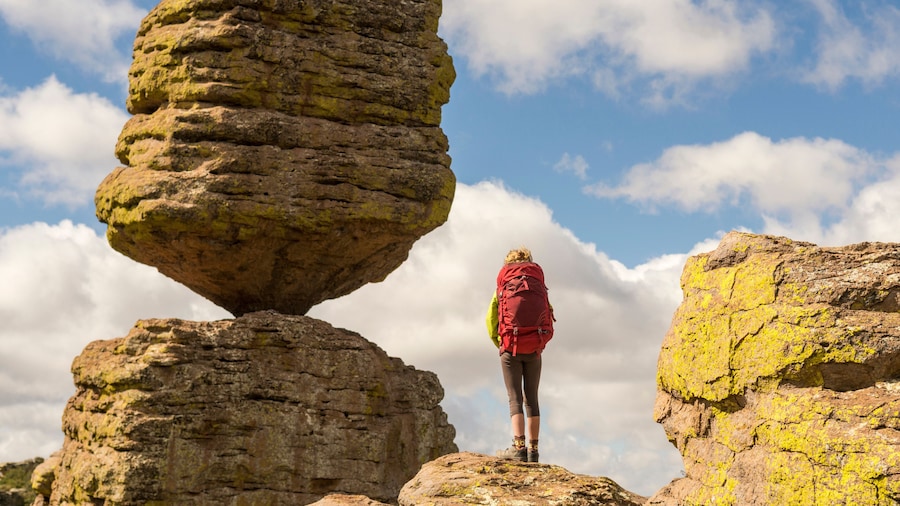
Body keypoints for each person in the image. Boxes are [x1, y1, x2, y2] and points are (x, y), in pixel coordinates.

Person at [486, 247, 554, 463]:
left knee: (514, 398)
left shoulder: (503, 287)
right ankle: (534, 451)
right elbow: (548, 313)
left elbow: (490, 319)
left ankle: (519, 448)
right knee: (532, 398)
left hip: (510, 347)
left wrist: (500, 342)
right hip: (534, 349)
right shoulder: (537, 286)